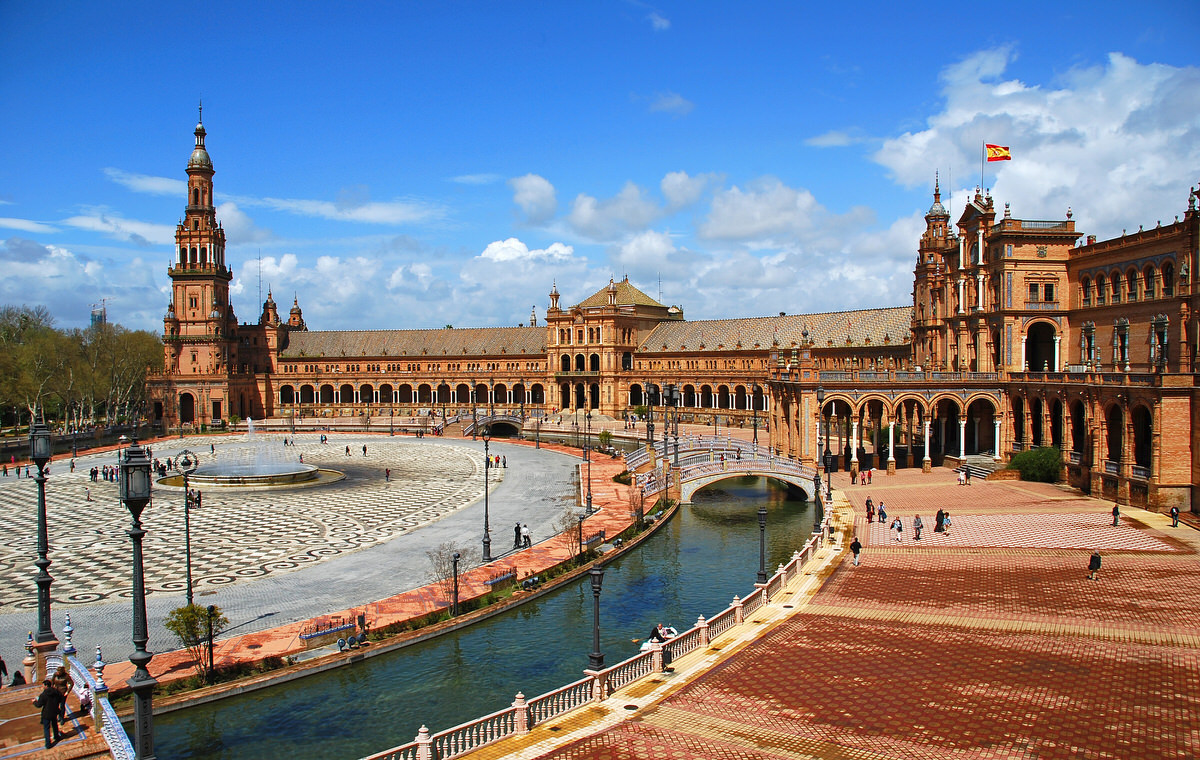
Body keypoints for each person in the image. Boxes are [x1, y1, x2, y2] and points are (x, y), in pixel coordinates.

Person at [33, 679, 63, 749]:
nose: (42, 687)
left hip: (46, 713)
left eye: (43, 685)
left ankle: (48, 744)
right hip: (54, 711)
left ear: (46, 686)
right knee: (55, 725)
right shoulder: (56, 692)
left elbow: (39, 705)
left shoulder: (43, 695)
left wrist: (34, 702)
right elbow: (60, 698)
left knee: (46, 728)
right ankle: (56, 737)